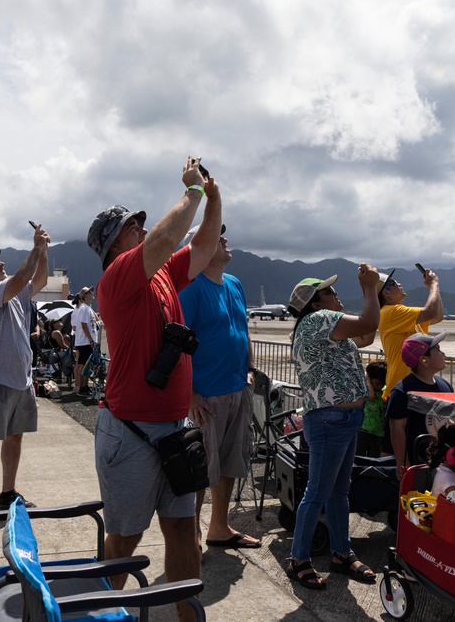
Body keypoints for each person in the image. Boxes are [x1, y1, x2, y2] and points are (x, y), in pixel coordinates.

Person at [87, 156, 220, 622]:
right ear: (112, 246)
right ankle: (95, 615)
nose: (142, 230)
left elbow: (202, 245)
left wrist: (214, 195)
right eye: (131, 227)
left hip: (172, 428)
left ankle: (186, 618)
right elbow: (168, 236)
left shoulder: (161, 273)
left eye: (141, 224)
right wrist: (192, 192)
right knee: (123, 538)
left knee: (184, 529)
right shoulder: (117, 277)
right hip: (131, 432)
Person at [286, 268, 381, 591]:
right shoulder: (318, 321)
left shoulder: (322, 326)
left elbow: (366, 336)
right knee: (317, 493)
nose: (335, 295)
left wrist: (373, 296)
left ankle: (342, 553)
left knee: (338, 492)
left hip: (340, 420)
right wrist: (368, 288)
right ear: (315, 304)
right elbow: (369, 326)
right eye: (328, 292)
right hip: (330, 421)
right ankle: (299, 559)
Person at [178, 224, 260, 550]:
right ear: (199, 248)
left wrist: (250, 370)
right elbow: (175, 345)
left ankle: (219, 528)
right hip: (206, 396)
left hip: (238, 388)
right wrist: (189, 395)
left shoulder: (235, 284)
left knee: (229, 463)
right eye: (216, 236)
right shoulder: (191, 288)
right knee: (201, 470)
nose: (225, 240)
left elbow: (243, 330)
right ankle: (192, 534)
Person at [0, 229, 50, 511]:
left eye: (0, 260)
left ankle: (7, 493)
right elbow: (22, 278)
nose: (0, 263)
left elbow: (38, 280)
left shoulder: (13, 293)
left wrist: (45, 251)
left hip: (20, 379)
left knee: (15, 437)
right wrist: (36, 249)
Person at [387, 332, 453, 478]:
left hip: (445, 460)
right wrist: (403, 463)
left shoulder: (445, 385)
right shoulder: (403, 391)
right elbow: (397, 427)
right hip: (419, 461)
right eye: (438, 350)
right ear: (424, 360)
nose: (443, 354)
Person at [378, 267, 443, 401]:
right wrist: (434, 285)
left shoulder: (402, 315)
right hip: (404, 387)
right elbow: (431, 311)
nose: (400, 284)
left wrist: (435, 287)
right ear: (386, 292)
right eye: (395, 283)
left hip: (411, 385)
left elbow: (437, 315)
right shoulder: (391, 312)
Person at [357, 361, 387, 458]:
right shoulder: (366, 390)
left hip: (378, 434)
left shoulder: (385, 392)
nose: (379, 386)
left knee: (374, 459)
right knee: (358, 458)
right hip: (362, 431)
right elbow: (371, 395)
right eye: (376, 383)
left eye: (382, 384)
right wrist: (368, 380)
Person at [72, 287, 99, 397]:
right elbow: (83, 325)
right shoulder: (83, 308)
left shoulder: (87, 308)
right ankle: (82, 388)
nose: (92, 294)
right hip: (85, 342)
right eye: (89, 292)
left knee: (86, 365)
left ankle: (85, 387)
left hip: (87, 342)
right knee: (84, 366)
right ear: (85, 296)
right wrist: (91, 340)